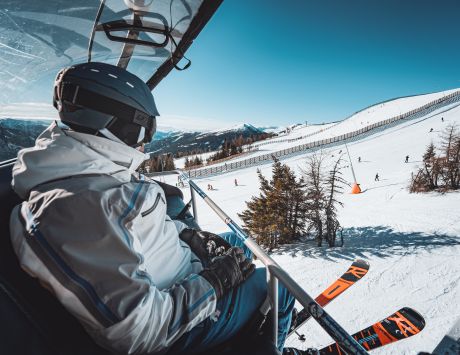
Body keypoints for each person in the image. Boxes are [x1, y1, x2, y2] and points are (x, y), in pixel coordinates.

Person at [9, 62, 297, 355]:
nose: (146, 143)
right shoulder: (73, 209)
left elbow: (142, 225)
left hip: (179, 274)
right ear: (115, 124)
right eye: (144, 130)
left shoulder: (93, 170)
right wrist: (214, 283)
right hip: (180, 320)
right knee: (282, 288)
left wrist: (188, 237)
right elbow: (142, 330)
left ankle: (254, 321)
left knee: (238, 243)